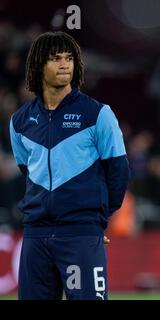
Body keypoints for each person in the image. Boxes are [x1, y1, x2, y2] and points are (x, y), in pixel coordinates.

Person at [9, 31, 129, 300]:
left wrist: (97, 222)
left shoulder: (98, 114)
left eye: (69, 58)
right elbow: (27, 172)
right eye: (55, 59)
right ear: (39, 65)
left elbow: (119, 173)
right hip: (35, 236)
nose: (65, 64)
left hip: (81, 234)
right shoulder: (19, 122)